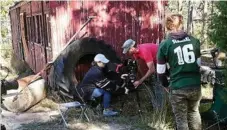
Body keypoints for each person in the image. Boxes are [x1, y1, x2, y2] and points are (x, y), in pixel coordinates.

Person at [157, 14, 201, 130]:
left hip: (177, 86)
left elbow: (160, 72)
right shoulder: (194, 41)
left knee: (181, 119)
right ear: (181, 24)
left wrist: (165, 85)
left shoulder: (165, 45)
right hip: (195, 85)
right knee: (194, 112)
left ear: (167, 27)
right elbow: (198, 65)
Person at [122, 39, 165, 109]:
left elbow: (152, 70)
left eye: (128, 50)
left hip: (164, 59)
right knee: (151, 82)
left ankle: (160, 108)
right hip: (155, 61)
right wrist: (137, 76)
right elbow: (138, 65)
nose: (127, 53)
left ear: (132, 48)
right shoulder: (135, 53)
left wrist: (140, 81)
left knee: (158, 84)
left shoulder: (144, 51)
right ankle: (155, 104)